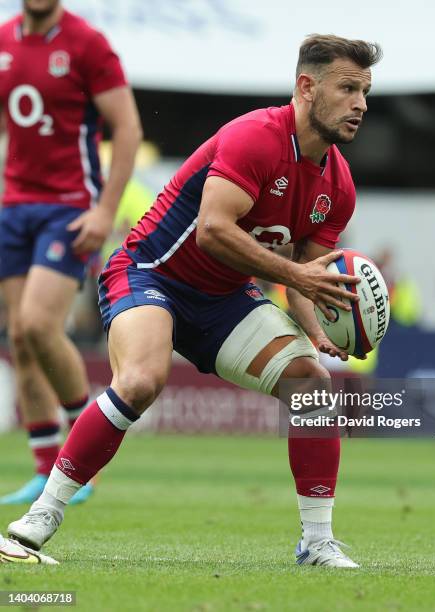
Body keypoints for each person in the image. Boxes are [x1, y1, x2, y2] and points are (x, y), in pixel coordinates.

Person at [6, 34, 381, 568]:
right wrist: (297, 275)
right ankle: (41, 516)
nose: (361, 104)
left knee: (312, 386)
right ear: (306, 87)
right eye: (348, 88)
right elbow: (211, 231)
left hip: (222, 299)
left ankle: (317, 543)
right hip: (149, 273)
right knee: (140, 380)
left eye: (365, 91)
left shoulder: (338, 185)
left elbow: (306, 276)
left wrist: (318, 333)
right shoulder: (255, 137)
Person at [0, 0, 142, 505]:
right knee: (19, 336)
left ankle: (86, 454)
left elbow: (127, 127)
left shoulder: (87, 43)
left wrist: (105, 211)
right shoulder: (4, 39)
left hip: (69, 208)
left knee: (39, 325)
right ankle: (45, 468)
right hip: (14, 205)